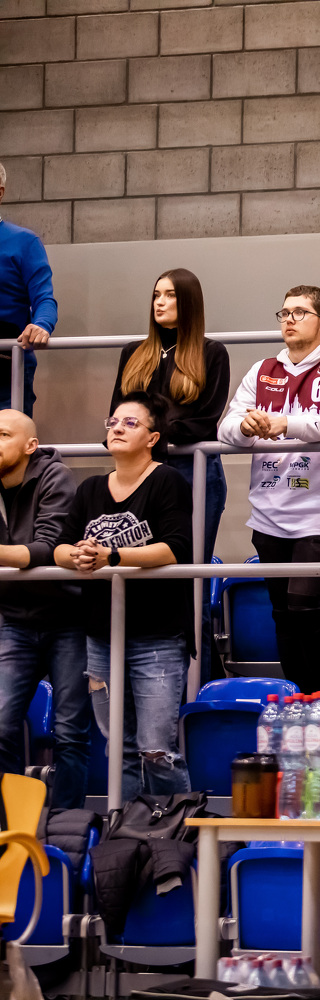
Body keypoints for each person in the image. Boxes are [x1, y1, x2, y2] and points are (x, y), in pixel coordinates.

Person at [218, 285, 320, 694]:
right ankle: (299, 698)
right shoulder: (263, 369)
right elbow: (226, 427)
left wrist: (286, 423)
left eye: (300, 313)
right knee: (283, 613)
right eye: (284, 312)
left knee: (305, 607)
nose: (288, 319)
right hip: (269, 511)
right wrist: (245, 427)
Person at [55, 393, 193, 799]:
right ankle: (124, 828)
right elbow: (60, 546)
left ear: (152, 438)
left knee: (156, 750)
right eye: (113, 421)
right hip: (101, 636)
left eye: (130, 423)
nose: (117, 428)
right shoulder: (90, 488)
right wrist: (77, 556)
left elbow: (175, 548)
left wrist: (112, 556)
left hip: (157, 636)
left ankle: (172, 828)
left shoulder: (167, 480)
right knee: (119, 748)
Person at [109, 269, 231, 618]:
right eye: (156, 295)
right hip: (138, 471)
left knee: (191, 577)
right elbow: (117, 414)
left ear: (189, 302)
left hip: (192, 470)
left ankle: (196, 654)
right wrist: (143, 433)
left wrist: (147, 431)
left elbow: (205, 421)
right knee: (137, 569)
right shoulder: (133, 352)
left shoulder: (211, 352)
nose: (159, 303)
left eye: (170, 295)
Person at [0, 410, 86, 805]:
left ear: (30, 446)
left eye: (3, 434)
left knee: (69, 732)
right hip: (13, 619)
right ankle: (12, 823)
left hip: (67, 617)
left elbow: (47, 548)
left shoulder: (55, 476)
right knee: (1, 725)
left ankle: (67, 824)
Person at [0, 162, 54, 415]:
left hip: (7, 365)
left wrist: (42, 325)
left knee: (8, 437)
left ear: (0, 192)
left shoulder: (24, 242)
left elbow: (44, 298)